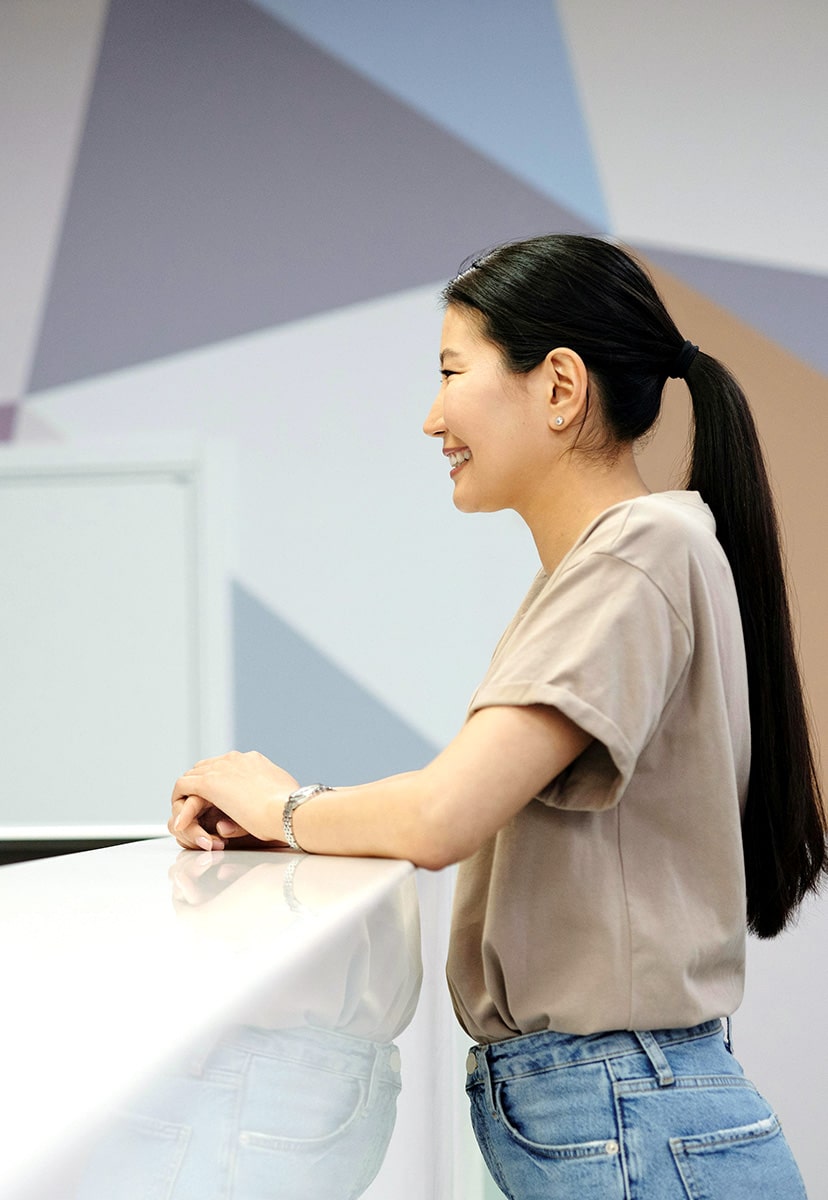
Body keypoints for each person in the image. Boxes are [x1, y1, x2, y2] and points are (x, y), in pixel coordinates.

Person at [168, 234, 824, 1197]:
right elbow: (467, 803)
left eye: (451, 371)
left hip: (619, 1108)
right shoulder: (622, 560)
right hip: (613, 1106)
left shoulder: (635, 553)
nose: (432, 418)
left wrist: (284, 805)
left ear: (560, 388)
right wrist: (298, 826)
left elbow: (445, 816)